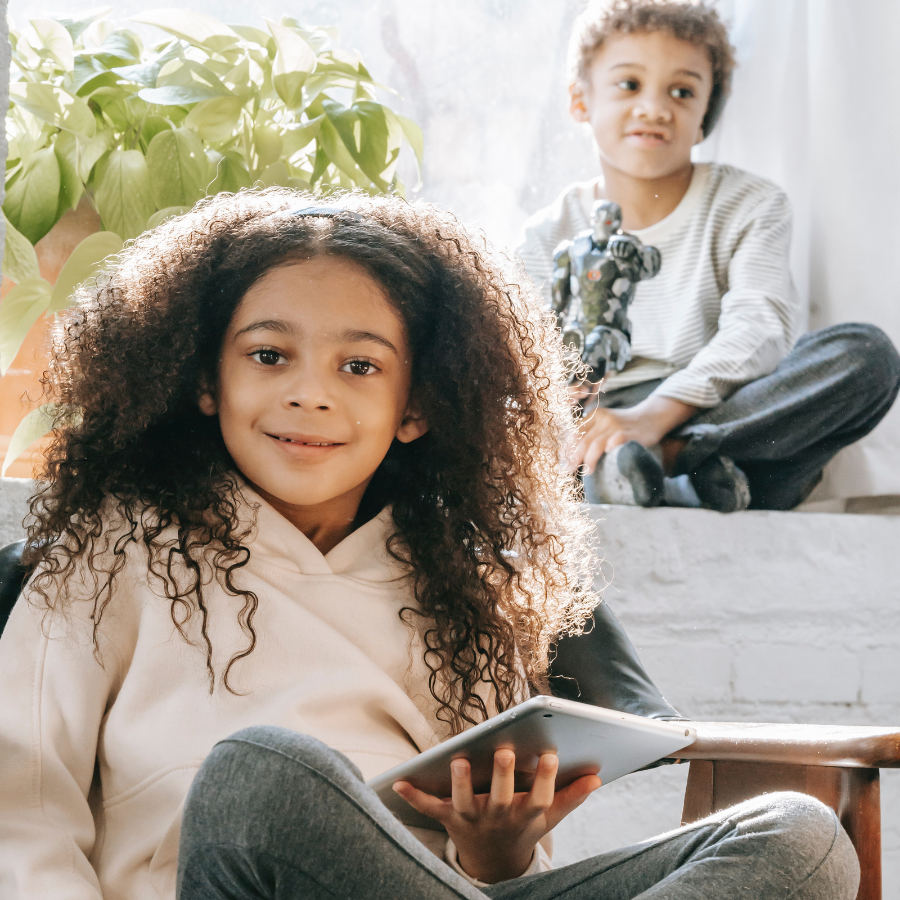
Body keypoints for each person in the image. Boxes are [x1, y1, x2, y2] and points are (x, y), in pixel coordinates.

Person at [0, 190, 858, 899]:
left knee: (799, 838)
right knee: (262, 770)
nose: (310, 395)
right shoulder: (110, 551)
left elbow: (500, 870)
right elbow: (22, 805)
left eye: (360, 367)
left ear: (416, 408)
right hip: (228, 870)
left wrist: (500, 855)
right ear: (202, 382)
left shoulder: (466, 581)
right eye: (268, 355)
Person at [518, 0, 900, 512]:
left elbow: (759, 328)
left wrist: (653, 420)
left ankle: (670, 460)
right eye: (629, 84)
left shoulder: (751, 204)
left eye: (682, 91)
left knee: (866, 356)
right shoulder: (547, 234)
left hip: (719, 408)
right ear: (580, 101)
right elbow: (527, 365)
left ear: (705, 117)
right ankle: (673, 475)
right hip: (599, 423)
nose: (654, 107)